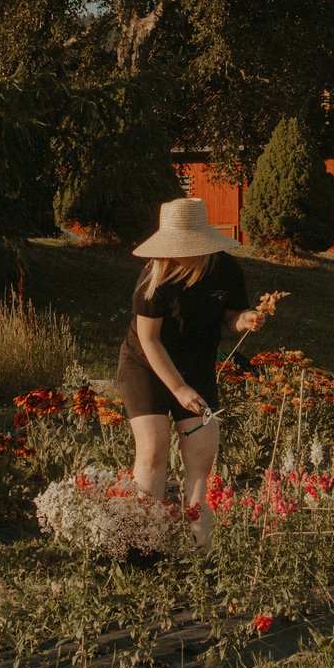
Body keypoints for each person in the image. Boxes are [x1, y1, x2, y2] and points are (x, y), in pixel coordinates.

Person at [118, 197, 266, 548]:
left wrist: (243, 319)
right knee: (153, 450)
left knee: (202, 455)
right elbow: (149, 340)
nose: (180, 254)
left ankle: (201, 552)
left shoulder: (226, 268)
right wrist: (179, 388)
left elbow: (231, 316)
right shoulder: (154, 277)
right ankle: (144, 548)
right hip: (147, 365)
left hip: (197, 366)